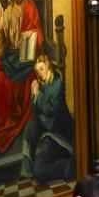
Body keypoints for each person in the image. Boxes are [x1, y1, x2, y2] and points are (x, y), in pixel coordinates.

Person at [0, 0, 44, 153]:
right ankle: (7, 122)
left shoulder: (29, 6)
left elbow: (36, 29)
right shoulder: (7, 12)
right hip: (10, 56)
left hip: (26, 54)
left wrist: (30, 38)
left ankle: (28, 122)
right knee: (0, 79)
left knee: (30, 76)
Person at [20, 54, 75, 183]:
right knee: (30, 126)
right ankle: (27, 169)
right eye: (37, 71)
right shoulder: (42, 86)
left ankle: (68, 165)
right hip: (48, 132)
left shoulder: (58, 84)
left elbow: (50, 110)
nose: (39, 73)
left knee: (40, 172)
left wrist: (38, 95)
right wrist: (34, 94)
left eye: (42, 69)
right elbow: (35, 112)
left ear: (48, 67)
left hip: (59, 134)